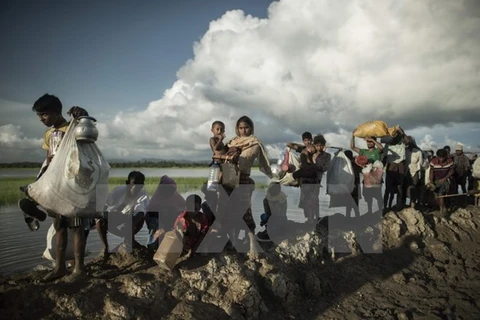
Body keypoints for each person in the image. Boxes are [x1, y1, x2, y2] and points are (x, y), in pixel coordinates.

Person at [22, 94, 90, 282]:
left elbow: (87, 135)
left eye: (44, 114)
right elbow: (49, 160)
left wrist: (82, 115)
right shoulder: (49, 134)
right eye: (39, 116)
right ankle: (59, 267)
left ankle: (79, 269)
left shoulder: (73, 127)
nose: (41, 119)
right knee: (59, 226)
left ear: (56, 112)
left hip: (73, 184)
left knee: (76, 227)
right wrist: (40, 183)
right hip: (56, 185)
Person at [216, 115, 272, 257]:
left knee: (245, 211)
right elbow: (220, 155)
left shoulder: (254, 143)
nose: (243, 131)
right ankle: (233, 241)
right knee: (227, 210)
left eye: (246, 127)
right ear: (237, 129)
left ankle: (253, 243)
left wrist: (236, 152)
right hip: (228, 176)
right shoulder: (231, 142)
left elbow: (246, 161)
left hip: (243, 179)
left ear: (251, 128)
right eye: (241, 128)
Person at [96, 171, 149, 256]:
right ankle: (105, 247)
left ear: (142, 186)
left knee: (140, 216)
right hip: (117, 218)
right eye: (133, 184)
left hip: (131, 221)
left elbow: (140, 211)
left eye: (139, 185)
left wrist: (129, 226)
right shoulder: (118, 191)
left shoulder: (143, 194)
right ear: (128, 183)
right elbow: (106, 205)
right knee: (99, 220)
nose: (135, 187)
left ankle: (130, 239)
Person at [293, 134, 331, 223]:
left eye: (321, 145)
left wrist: (313, 164)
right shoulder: (310, 152)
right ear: (315, 145)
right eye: (317, 145)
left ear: (324, 145)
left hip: (316, 180)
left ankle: (316, 217)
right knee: (305, 199)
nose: (319, 147)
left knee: (314, 199)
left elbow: (324, 168)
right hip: (305, 179)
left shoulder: (327, 156)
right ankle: (309, 218)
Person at [145, 175, 186, 250]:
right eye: (166, 189)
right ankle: (153, 245)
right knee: (155, 240)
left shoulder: (176, 197)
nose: (168, 192)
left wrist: (173, 210)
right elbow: (150, 214)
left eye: (171, 189)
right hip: (157, 222)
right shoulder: (156, 199)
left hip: (171, 223)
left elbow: (184, 209)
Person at [427, 148, 455, 215]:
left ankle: (442, 209)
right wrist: (431, 182)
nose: (441, 159)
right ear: (437, 156)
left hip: (445, 180)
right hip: (436, 180)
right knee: (436, 195)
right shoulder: (433, 161)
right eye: (440, 157)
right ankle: (443, 207)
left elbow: (452, 171)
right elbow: (431, 171)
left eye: (443, 157)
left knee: (441, 194)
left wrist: (445, 178)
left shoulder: (449, 161)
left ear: (446, 156)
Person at [404, 136, 423, 209]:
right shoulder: (405, 150)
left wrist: (418, 174)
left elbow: (420, 164)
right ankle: (405, 204)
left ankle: (412, 205)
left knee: (414, 188)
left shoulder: (418, 152)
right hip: (406, 172)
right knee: (406, 188)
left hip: (415, 172)